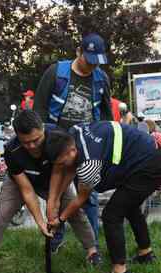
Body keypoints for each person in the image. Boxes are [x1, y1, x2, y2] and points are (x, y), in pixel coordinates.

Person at [0, 110, 101, 273]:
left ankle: (92, 251)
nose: (32, 146)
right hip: (21, 182)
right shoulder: (12, 150)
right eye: (26, 142)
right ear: (17, 136)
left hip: (54, 180)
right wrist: (40, 220)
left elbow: (60, 169)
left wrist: (54, 202)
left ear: (43, 129)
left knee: (74, 212)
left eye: (36, 140)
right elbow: (27, 191)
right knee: (1, 214)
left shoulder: (55, 136)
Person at [44, 122, 161, 273]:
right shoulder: (74, 132)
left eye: (62, 162)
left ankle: (119, 271)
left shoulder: (89, 165)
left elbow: (81, 198)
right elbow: (64, 169)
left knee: (112, 215)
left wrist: (60, 220)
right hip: (145, 156)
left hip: (150, 166)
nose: (60, 166)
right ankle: (145, 253)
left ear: (72, 151)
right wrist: (53, 202)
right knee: (130, 207)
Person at [33, 33, 114, 250]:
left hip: (88, 147)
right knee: (58, 194)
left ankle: (92, 245)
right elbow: (39, 108)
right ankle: (55, 238)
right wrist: (43, 144)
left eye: (96, 62)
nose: (92, 66)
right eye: (89, 60)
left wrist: (106, 144)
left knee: (89, 196)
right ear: (79, 52)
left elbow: (107, 116)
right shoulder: (56, 73)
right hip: (57, 146)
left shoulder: (101, 79)